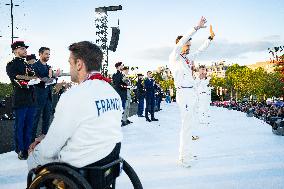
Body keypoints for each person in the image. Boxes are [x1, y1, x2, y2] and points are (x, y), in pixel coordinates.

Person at [28, 41, 123, 171]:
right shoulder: (112, 92)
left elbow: (48, 151)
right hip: (108, 160)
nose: (69, 67)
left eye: (69, 62)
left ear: (79, 64)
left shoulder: (73, 95)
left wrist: (39, 146)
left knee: (34, 156)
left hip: (80, 166)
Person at [168, 16, 215, 167]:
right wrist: (196, 27)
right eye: (187, 44)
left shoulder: (187, 59)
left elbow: (201, 51)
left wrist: (209, 38)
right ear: (179, 44)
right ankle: (183, 157)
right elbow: (183, 40)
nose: (189, 46)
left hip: (192, 93)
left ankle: (187, 153)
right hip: (184, 94)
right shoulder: (174, 57)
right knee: (186, 126)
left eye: (189, 45)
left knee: (190, 125)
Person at [6, 41, 37, 160]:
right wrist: (29, 79)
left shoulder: (27, 65)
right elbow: (16, 78)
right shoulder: (11, 64)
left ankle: (28, 148)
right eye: (22, 49)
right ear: (15, 51)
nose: (25, 51)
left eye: (25, 49)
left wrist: (30, 78)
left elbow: (33, 76)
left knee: (29, 126)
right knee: (20, 126)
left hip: (31, 99)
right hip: (20, 99)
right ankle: (20, 150)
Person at [32, 47, 55, 142]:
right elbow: (35, 80)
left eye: (49, 54)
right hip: (38, 96)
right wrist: (48, 79)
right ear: (40, 54)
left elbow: (53, 80)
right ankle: (31, 140)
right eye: (46, 54)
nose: (48, 56)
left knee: (47, 118)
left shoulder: (49, 67)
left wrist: (53, 77)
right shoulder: (34, 66)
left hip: (48, 97)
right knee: (35, 119)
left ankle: (44, 137)